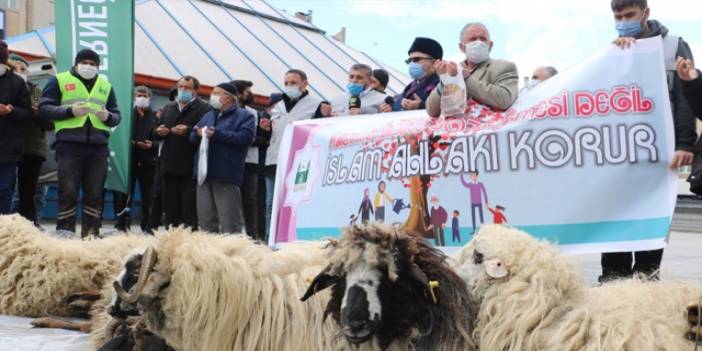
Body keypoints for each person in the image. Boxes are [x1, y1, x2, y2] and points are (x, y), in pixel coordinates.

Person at [599, 0, 698, 283]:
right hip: (621, 156)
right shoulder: (614, 50)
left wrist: (685, 143)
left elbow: (685, 96)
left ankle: (645, 280)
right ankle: (613, 279)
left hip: (661, 153)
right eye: (618, 16)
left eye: (629, 14)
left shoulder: (673, 46)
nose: (623, 21)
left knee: (651, 218)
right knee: (616, 217)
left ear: (646, 13)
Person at [39, 49, 121, 237]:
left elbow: (117, 115)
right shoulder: (58, 80)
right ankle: (65, 235)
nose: (88, 67)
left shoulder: (105, 85)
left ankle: (91, 235)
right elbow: (44, 108)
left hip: (98, 149)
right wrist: (69, 111)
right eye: (85, 62)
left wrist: (108, 116)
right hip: (69, 146)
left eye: (93, 64)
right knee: (68, 193)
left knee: (94, 194)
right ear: (76, 63)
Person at [261, 69, 323, 237]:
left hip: (300, 162)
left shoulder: (315, 105)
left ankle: (291, 238)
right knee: (271, 204)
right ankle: (270, 239)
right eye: (287, 83)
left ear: (304, 84)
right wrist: (265, 129)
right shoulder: (277, 106)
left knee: (296, 203)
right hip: (275, 159)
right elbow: (268, 135)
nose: (289, 86)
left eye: (294, 83)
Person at [191, 82, 254, 234]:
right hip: (204, 173)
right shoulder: (208, 115)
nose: (212, 96)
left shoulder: (245, 116)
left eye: (216, 93)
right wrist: (197, 134)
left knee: (229, 221)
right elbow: (192, 137)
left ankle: (233, 254)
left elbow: (245, 138)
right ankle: (210, 254)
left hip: (226, 174)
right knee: (206, 221)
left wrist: (217, 134)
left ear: (227, 98)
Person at [426, 22, 519, 116]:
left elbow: (504, 100)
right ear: (462, 47)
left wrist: (467, 78)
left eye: (483, 39)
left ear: (490, 45)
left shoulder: (505, 67)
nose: (478, 43)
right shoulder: (453, 69)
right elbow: (431, 111)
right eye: (472, 39)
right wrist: (444, 82)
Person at [155, 75, 210, 230]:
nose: (183, 90)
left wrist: (189, 130)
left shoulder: (204, 109)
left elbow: (206, 132)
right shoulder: (168, 108)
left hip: (189, 168)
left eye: (187, 88)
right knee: (170, 212)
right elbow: (155, 131)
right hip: (168, 165)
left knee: (188, 212)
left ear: (195, 91)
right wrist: (159, 131)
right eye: (180, 87)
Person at [8, 53, 49, 224]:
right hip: (7, 147)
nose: (20, 72)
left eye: (23, 69)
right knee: (6, 189)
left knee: (29, 193)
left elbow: (49, 124)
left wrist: (38, 114)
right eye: (15, 69)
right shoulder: (4, 88)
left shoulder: (36, 91)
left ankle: (29, 226)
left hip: (32, 148)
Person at [113, 86, 159, 232]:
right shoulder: (126, 115)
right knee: (124, 194)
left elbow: (163, 140)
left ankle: (148, 226)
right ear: (133, 97)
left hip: (149, 162)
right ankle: (121, 223)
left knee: (149, 196)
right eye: (139, 95)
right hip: (129, 161)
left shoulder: (157, 117)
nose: (142, 98)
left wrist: (152, 145)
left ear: (150, 98)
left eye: (145, 96)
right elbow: (118, 135)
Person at [0, 40, 32, 215]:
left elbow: (26, 114)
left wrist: (10, 111)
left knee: (4, 190)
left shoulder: (17, 83)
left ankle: (2, 229)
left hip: (8, 148)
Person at [232, 80, 266, 239]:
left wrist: (258, 138)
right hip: (231, 162)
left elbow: (261, 137)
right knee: (231, 200)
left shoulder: (253, 112)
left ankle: (252, 236)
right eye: (247, 91)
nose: (250, 94)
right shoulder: (228, 111)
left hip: (250, 161)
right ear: (238, 94)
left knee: (250, 200)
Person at [380, 37, 443, 113]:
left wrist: (422, 106)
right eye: (410, 60)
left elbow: (451, 106)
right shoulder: (411, 86)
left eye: (416, 59)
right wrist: (390, 109)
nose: (412, 63)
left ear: (434, 62)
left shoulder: (443, 83)